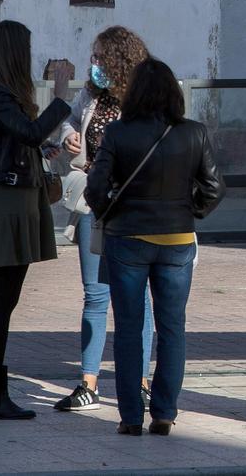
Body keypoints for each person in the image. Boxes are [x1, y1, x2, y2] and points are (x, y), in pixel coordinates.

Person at [85, 58, 223, 436]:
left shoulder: (117, 133)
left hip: (126, 239)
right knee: (172, 327)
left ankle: (130, 416)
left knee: (129, 328)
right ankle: (164, 412)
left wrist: (110, 213)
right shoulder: (193, 132)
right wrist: (187, 211)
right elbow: (214, 188)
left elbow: (95, 189)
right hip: (177, 240)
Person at [0, 20, 73, 420]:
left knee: (4, 298)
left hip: (16, 194)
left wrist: (47, 146)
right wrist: (60, 97)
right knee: (1, 298)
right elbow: (25, 132)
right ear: (14, 52)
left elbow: (20, 138)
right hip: (6, 197)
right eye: (26, 49)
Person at [53, 26, 155, 413]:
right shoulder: (90, 94)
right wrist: (68, 138)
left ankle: (141, 380)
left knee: (137, 297)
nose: (93, 64)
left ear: (119, 60)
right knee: (95, 294)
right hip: (93, 204)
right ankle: (89, 383)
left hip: (131, 207)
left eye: (99, 57)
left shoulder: (142, 100)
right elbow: (70, 122)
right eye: (92, 57)